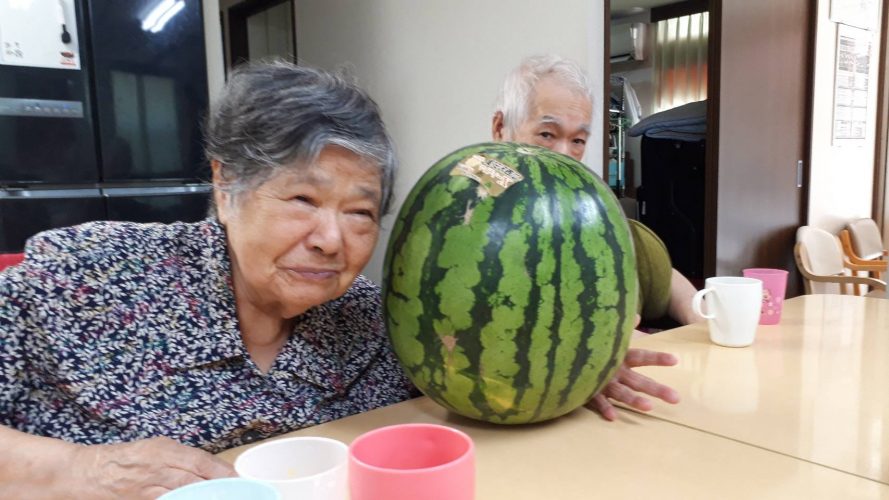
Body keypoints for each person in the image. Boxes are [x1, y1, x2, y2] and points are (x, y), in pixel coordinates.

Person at [0, 61, 415, 498]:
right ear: (225, 185)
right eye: (303, 198)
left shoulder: (377, 322)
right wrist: (84, 469)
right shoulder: (87, 276)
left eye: (359, 212)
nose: (331, 241)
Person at [491, 54, 693, 418]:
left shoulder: (591, 216)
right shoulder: (474, 209)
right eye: (547, 134)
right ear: (500, 128)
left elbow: (662, 275)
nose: (564, 155)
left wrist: (707, 320)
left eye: (578, 140)